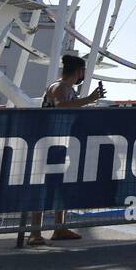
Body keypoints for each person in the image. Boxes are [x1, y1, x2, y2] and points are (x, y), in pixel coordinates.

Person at [28, 53, 106, 246]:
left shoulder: (69, 89)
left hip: (62, 142)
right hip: (49, 143)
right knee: (44, 187)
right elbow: (60, 105)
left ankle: (59, 228)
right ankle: (34, 232)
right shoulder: (59, 87)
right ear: (79, 71)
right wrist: (88, 99)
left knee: (61, 187)